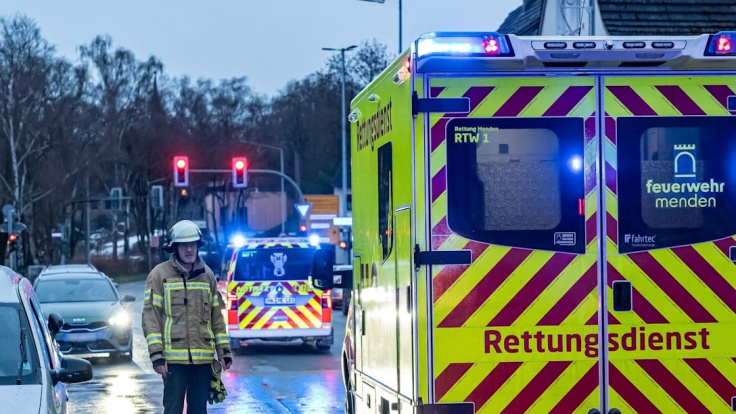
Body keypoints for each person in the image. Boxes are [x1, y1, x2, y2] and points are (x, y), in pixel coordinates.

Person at [142, 220, 232, 414]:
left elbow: (217, 318)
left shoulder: (207, 275)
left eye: (192, 244)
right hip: (173, 362)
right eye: (184, 245)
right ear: (175, 248)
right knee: (172, 409)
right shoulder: (159, 275)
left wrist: (223, 351)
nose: (189, 249)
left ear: (198, 246)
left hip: (203, 361)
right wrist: (157, 356)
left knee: (199, 410)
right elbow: (151, 317)